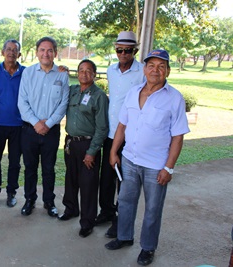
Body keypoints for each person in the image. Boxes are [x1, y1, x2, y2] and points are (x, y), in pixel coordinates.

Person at [104, 49, 190, 266]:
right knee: (125, 201)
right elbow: (122, 125)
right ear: (144, 69)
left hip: (155, 166)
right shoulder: (134, 92)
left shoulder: (174, 98)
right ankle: (124, 237)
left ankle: (148, 248)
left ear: (168, 71)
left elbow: (178, 137)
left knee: (153, 208)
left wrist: (168, 168)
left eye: (161, 66)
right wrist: (114, 152)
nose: (156, 70)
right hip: (130, 160)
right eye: (151, 65)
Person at [95, 31, 145, 238]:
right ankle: (106, 211)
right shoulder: (111, 70)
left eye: (128, 50)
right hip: (110, 133)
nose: (123, 54)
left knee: (124, 182)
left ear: (135, 50)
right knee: (106, 177)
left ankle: (119, 221)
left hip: (130, 135)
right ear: (115, 49)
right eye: (119, 49)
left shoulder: (142, 71)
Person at [18, 36, 69, 217]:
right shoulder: (28, 73)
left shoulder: (62, 75)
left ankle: (49, 202)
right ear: (37, 52)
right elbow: (22, 102)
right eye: (42, 50)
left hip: (51, 131)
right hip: (29, 129)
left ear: (55, 53)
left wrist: (46, 124)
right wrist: (36, 123)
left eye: (49, 50)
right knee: (30, 167)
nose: (45, 54)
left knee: (48, 168)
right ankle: (29, 200)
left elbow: (63, 104)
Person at [58, 59, 109, 238]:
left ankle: (87, 222)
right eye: (81, 70)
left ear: (94, 74)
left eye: (89, 71)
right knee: (71, 179)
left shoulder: (99, 96)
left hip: (88, 145)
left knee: (88, 184)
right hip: (71, 143)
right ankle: (71, 209)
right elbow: (57, 85)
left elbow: (102, 127)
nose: (84, 74)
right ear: (77, 73)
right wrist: (61, 71)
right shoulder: (72, 91)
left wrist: (92, 151)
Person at [0, 39, 25, 208]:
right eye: (8, 49)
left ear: (19, 54)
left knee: (15, 162)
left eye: (14, 50)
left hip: (19, 126)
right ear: (2, 52)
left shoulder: (26, 73)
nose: (11, 53)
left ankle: (11, 193)